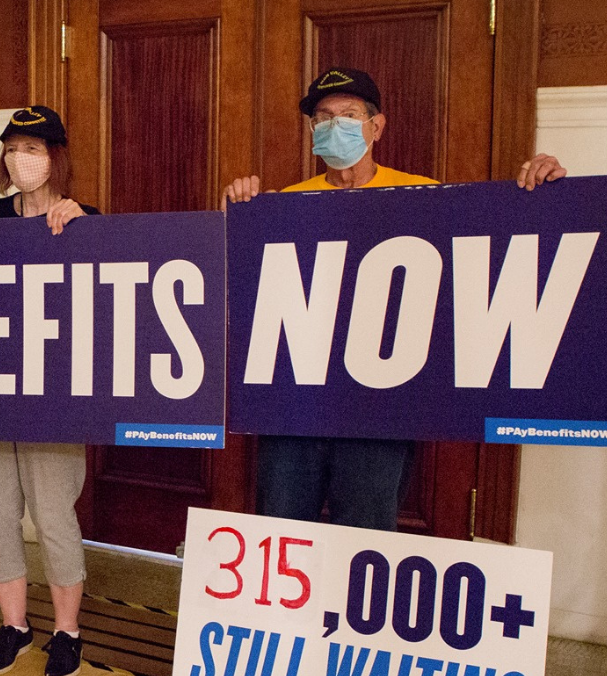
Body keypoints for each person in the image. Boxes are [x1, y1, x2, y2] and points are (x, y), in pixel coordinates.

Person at [223, 67, 566, 531]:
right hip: (294, 412)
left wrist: (545, 191)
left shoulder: (422, 196)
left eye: (347, 115)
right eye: (322, 118)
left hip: (380, 413)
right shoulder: (285, 203)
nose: (333, 126)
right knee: (283, 534)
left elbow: (493, 257)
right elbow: (238, 290)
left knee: (365, 542)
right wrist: (239, 214)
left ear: (377, 126)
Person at [0, 105, 98, 676]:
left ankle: (66, 631)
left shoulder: (86, 217)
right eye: (14, 147)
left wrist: (83, 231)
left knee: (52, 513)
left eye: (35, 148)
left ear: (57, 157)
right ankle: (15, 626)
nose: (22, 158)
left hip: (56, 393)